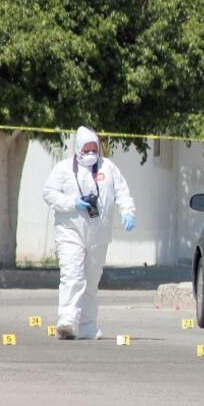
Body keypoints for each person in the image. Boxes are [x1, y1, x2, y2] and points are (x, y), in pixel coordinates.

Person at [43, 126, 136, 340]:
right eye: (87, 149)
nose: (91, 153)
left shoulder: (108, 168)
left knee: (91, 281)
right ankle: (66, 321)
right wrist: (72, 203)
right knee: (72, 276)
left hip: (98, 235)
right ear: (77, 149)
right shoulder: (64, 169)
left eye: (95, 148)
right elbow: (48, 193)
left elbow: (122, 192)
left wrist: (128, 212)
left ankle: (87, 325)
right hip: (70, 232)